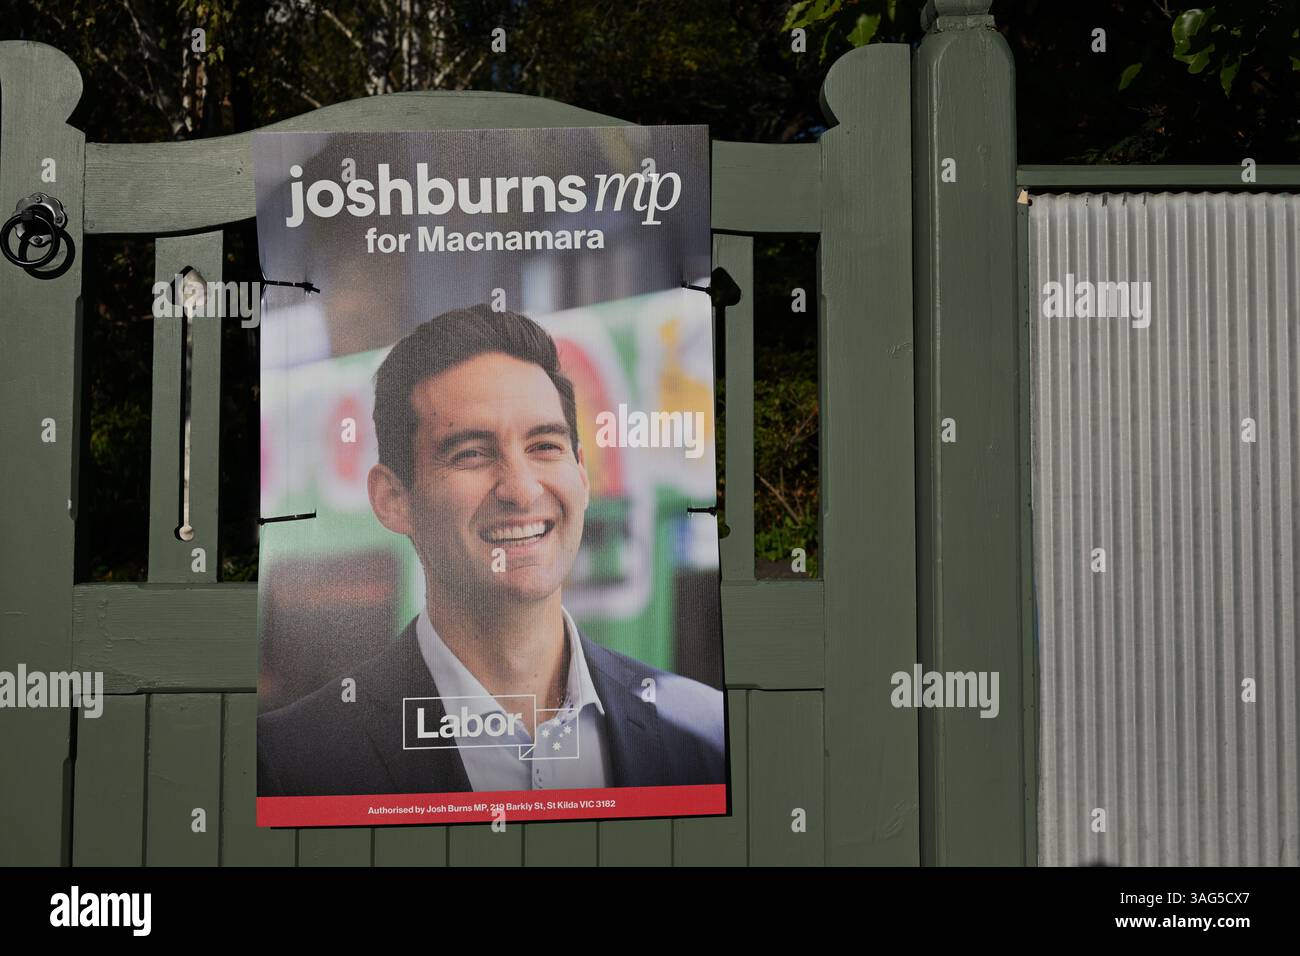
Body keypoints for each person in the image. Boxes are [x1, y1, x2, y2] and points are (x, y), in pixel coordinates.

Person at [258, 304, 726, 797]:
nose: (522, 491)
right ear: (393, 500)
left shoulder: (705, 735)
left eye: (545, 445)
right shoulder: (286, 764)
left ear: (583, 476)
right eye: (471, 454)